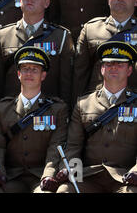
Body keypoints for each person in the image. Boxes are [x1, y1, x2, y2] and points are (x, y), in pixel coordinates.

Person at [56, 41, 137, 193]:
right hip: (89, 176)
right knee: (65, 190)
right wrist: (74, 174)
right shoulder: (83, 104)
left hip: (124, 177)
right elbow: (74, 145)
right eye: (109, 63)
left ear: (129, 70)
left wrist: (135, 171)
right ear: (101, 69)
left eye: (120, 64)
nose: (113, 67)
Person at [0, 46, 69, 193]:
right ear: (18, 74)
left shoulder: (57, 109)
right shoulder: (2, 108)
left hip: (40, 176)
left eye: (35, 69)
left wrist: (48, 175)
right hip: (11, 176)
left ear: (43, 75)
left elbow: (56, 146)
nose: (29, 73)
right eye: (25, 69)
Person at [0, 0, 75, 105]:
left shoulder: (61, 36)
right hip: (11, 111)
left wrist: (63, 111)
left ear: (47, 3)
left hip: (48, 110)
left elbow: (66, 83)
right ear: (19, 0)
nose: (30, 0)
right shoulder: (3, 35)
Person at [73, 0, 137, 102]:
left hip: (132, 103)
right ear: (108, 0)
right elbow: (80, 74)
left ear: (135, 1)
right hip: (97, 103)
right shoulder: (91, 29)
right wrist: (78, 104)